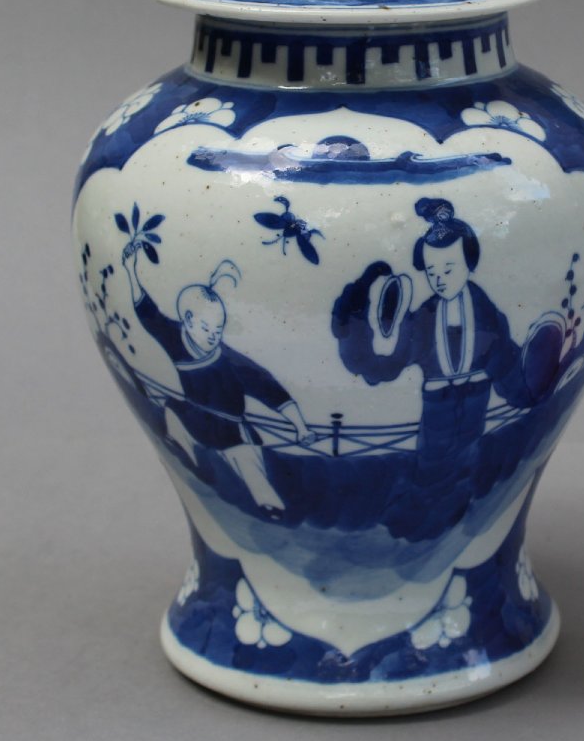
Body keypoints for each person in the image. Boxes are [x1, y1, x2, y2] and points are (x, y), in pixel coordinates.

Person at [333, 198, 532, 475]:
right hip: (438, 401)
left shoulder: (484, 309)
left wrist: (527, 392)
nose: (439, 279)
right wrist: (351, 322)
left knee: (470, 465)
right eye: (431, 272)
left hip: (477, 395)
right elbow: (388, 364)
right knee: (432, 466)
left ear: (470, 264)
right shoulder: (422, 318)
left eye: (448, 269)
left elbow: (503, 354)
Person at [122, 245, 312, 515]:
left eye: (218, 329)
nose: (213, 336)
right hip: (194, 417)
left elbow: (272, 391)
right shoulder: (174, 339)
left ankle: (270, 506)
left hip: (230, 430)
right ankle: (191, 461)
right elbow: (147, 313)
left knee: (249, 463)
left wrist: (300, 427)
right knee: (172, 411)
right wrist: (130, 270)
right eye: (205, 327)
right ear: (187, 321)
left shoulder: (233, 363)